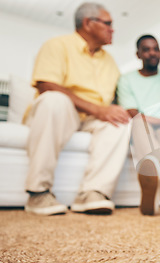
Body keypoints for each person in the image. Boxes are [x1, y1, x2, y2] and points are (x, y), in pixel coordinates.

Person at [24, 2, 130, 215]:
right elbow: (46, 85)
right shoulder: (57, 45)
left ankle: (92, 193)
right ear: (88, 23)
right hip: (61, 112)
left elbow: (116, 99)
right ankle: (38, 193)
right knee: (54, 99)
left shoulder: (109, 61)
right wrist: (98, 110)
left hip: (92, 118)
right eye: (108, 23)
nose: (112, 29)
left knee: (121, 120)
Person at [117, 34, 160, 215]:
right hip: (143, 122)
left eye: (155, 49)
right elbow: (133, 112)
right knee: (138, 122)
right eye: (146, 50)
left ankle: (156, 183)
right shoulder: (126, 79)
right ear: (138, 54)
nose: (152, 53)